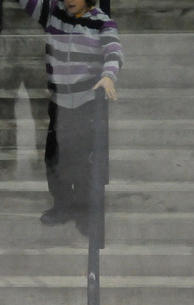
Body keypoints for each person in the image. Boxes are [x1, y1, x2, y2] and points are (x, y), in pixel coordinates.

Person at [16, 0, 122, 232]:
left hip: (86, 102)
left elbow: (114, 51)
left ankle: (84, 211)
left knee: (82, 160)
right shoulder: (52, 12)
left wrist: (109, 75)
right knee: (54, 158)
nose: (70, 0)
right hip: (58, 102)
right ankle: (62, 205)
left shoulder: (102, 23)